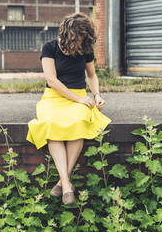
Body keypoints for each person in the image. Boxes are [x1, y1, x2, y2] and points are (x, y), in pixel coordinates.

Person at [26, 12, 111, 205]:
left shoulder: (85, 48)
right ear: (68, 33)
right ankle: (66, 184)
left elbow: (91, 75)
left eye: (83, 37)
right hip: (55, 97)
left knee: (79, 123)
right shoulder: (50, 48)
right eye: (78, 37)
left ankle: (62, 183)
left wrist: (96, 94)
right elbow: (51, 80)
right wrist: (79, 99)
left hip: (79, 96)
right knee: (50, 125)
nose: (80, 41)